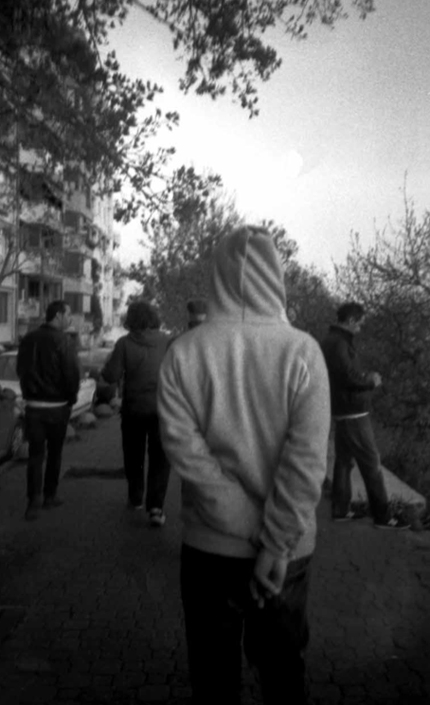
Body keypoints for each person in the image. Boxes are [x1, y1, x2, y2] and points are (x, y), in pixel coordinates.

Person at [157, 225, 331, 705]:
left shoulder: (184, 354)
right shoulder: (304, 352)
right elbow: (307, 460)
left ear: (217, 275)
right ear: (277, 276)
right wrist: (274, 542)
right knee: (283, 674)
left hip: (210, 548)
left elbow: (186, 453)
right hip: (286, 556)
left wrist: (248, 528)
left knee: (213, 679)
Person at [321, 302, 410, 529]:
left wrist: (362, 376)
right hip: (353, 412)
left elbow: (342, 374)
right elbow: (347, 376)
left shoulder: (331, 341)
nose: (360, 328)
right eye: (360, 324)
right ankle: (383, 516)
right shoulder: (339, 343)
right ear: (351, 320)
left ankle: (341, 509)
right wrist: (370, 381)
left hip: (342, 410)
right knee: (372, 463)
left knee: (343, 462)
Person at [101, 300, 170, 526]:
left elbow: (111, 376)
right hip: (162, 409)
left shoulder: (124, 343)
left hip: (133, 409)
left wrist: (106, 367)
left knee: (134, 455)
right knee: (160, 459)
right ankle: (156, 507)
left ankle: (136, 496)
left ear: (131, 319)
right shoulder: (167, 342)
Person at [17, 300, 80, 521]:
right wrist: (71, 399)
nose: (70, 318)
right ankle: (50, 496)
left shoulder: (28, 339)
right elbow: (72, 374)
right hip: (57, 407)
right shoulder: (64, 341)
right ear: (58, 315)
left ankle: (33, 501)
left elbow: (21, 369)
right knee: (55, 453)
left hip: (33, 407)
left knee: (35, 455)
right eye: (68, 314)